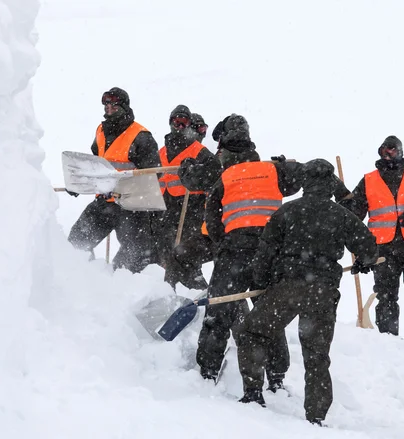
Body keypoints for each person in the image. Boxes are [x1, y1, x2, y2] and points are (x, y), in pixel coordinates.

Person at [237, 159, 379, 426]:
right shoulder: (341, 215)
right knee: (316, 356)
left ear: (305, 182)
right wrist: (364, 261)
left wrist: (263, 285)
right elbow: (369, 247)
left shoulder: (287, 212)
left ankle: (253, 393)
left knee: (253, 333)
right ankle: (315, 417)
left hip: (287, 287)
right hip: (323, 292)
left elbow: (265, 253)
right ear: (329, 184)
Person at [195, 114, 303, 387]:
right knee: (270, 317)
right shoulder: (273, 170)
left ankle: (207, 372)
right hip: (270, 254)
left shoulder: (225, 176)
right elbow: (299, 179)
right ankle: (276, 378)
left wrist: (222, 246)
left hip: (235, 252)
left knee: (218, 313)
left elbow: (212, 216)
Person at [340, 136, 404, 342]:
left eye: (393, 149)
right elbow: (354, 219)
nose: (389, 154)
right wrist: (361, 253)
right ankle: (389, 343)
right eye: (385, 150)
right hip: (383, 251)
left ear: (400, 151)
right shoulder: (368, 180)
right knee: (385, 297)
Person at [67, 87, 161, 273]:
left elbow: (155, 173)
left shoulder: (141, 137)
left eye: (114, 105)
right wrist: (78, 182)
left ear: (124, 107)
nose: (109, 108)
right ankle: (82, 280)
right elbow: (94, 164)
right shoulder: (101, 131)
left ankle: (122, 289)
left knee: (133, 259)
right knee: (75, 244)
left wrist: (126, 183)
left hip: (131, 207)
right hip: (104, 202)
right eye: (106, 104)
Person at [154, 106, 221, 288]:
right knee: (166, 261)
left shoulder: (198, 150)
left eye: (184, 122)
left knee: (185, 261)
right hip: (166, 215)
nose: (180, 126)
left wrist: (196, 177)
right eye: (177, 122)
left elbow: (215, 174)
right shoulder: (160, 153)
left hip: (190, 214)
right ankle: (170, 297)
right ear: (170, 123)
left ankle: (200, 298)